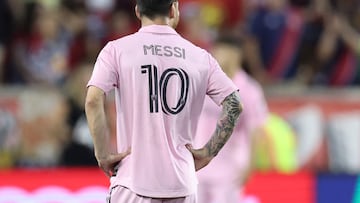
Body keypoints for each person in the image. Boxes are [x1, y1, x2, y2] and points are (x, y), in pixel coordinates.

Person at [84, 0, 243, 202]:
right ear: (173, 9)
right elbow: (235, 103)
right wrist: (208, 152)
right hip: (182, 185)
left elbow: (93, 100)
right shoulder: (200, 57)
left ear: (137, 11)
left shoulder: (116, 50)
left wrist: (103, 154)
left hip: (134, 182)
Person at [194, 35, 268, 203]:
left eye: (222, 51)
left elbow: (255, 129)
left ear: (236, 54)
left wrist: (251, 164)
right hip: (197, 166)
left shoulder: (249, 89)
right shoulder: (202, 81)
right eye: (215, 50)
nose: (216, 55)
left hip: (229, 169)